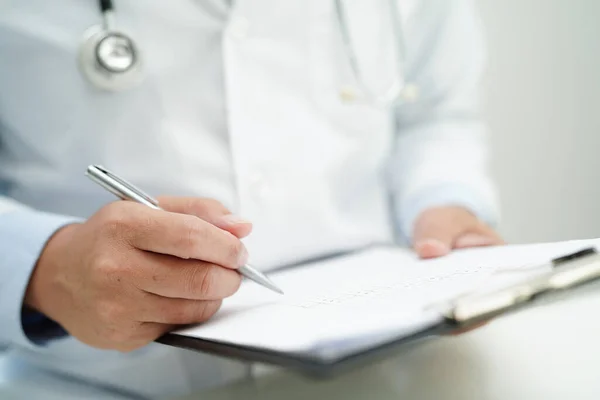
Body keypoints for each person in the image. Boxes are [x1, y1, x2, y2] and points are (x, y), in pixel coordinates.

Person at [0, 0, 503, 398]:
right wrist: (49, 266)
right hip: (102, 382)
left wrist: (443, 199)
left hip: (394, 368)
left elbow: (434, 112)